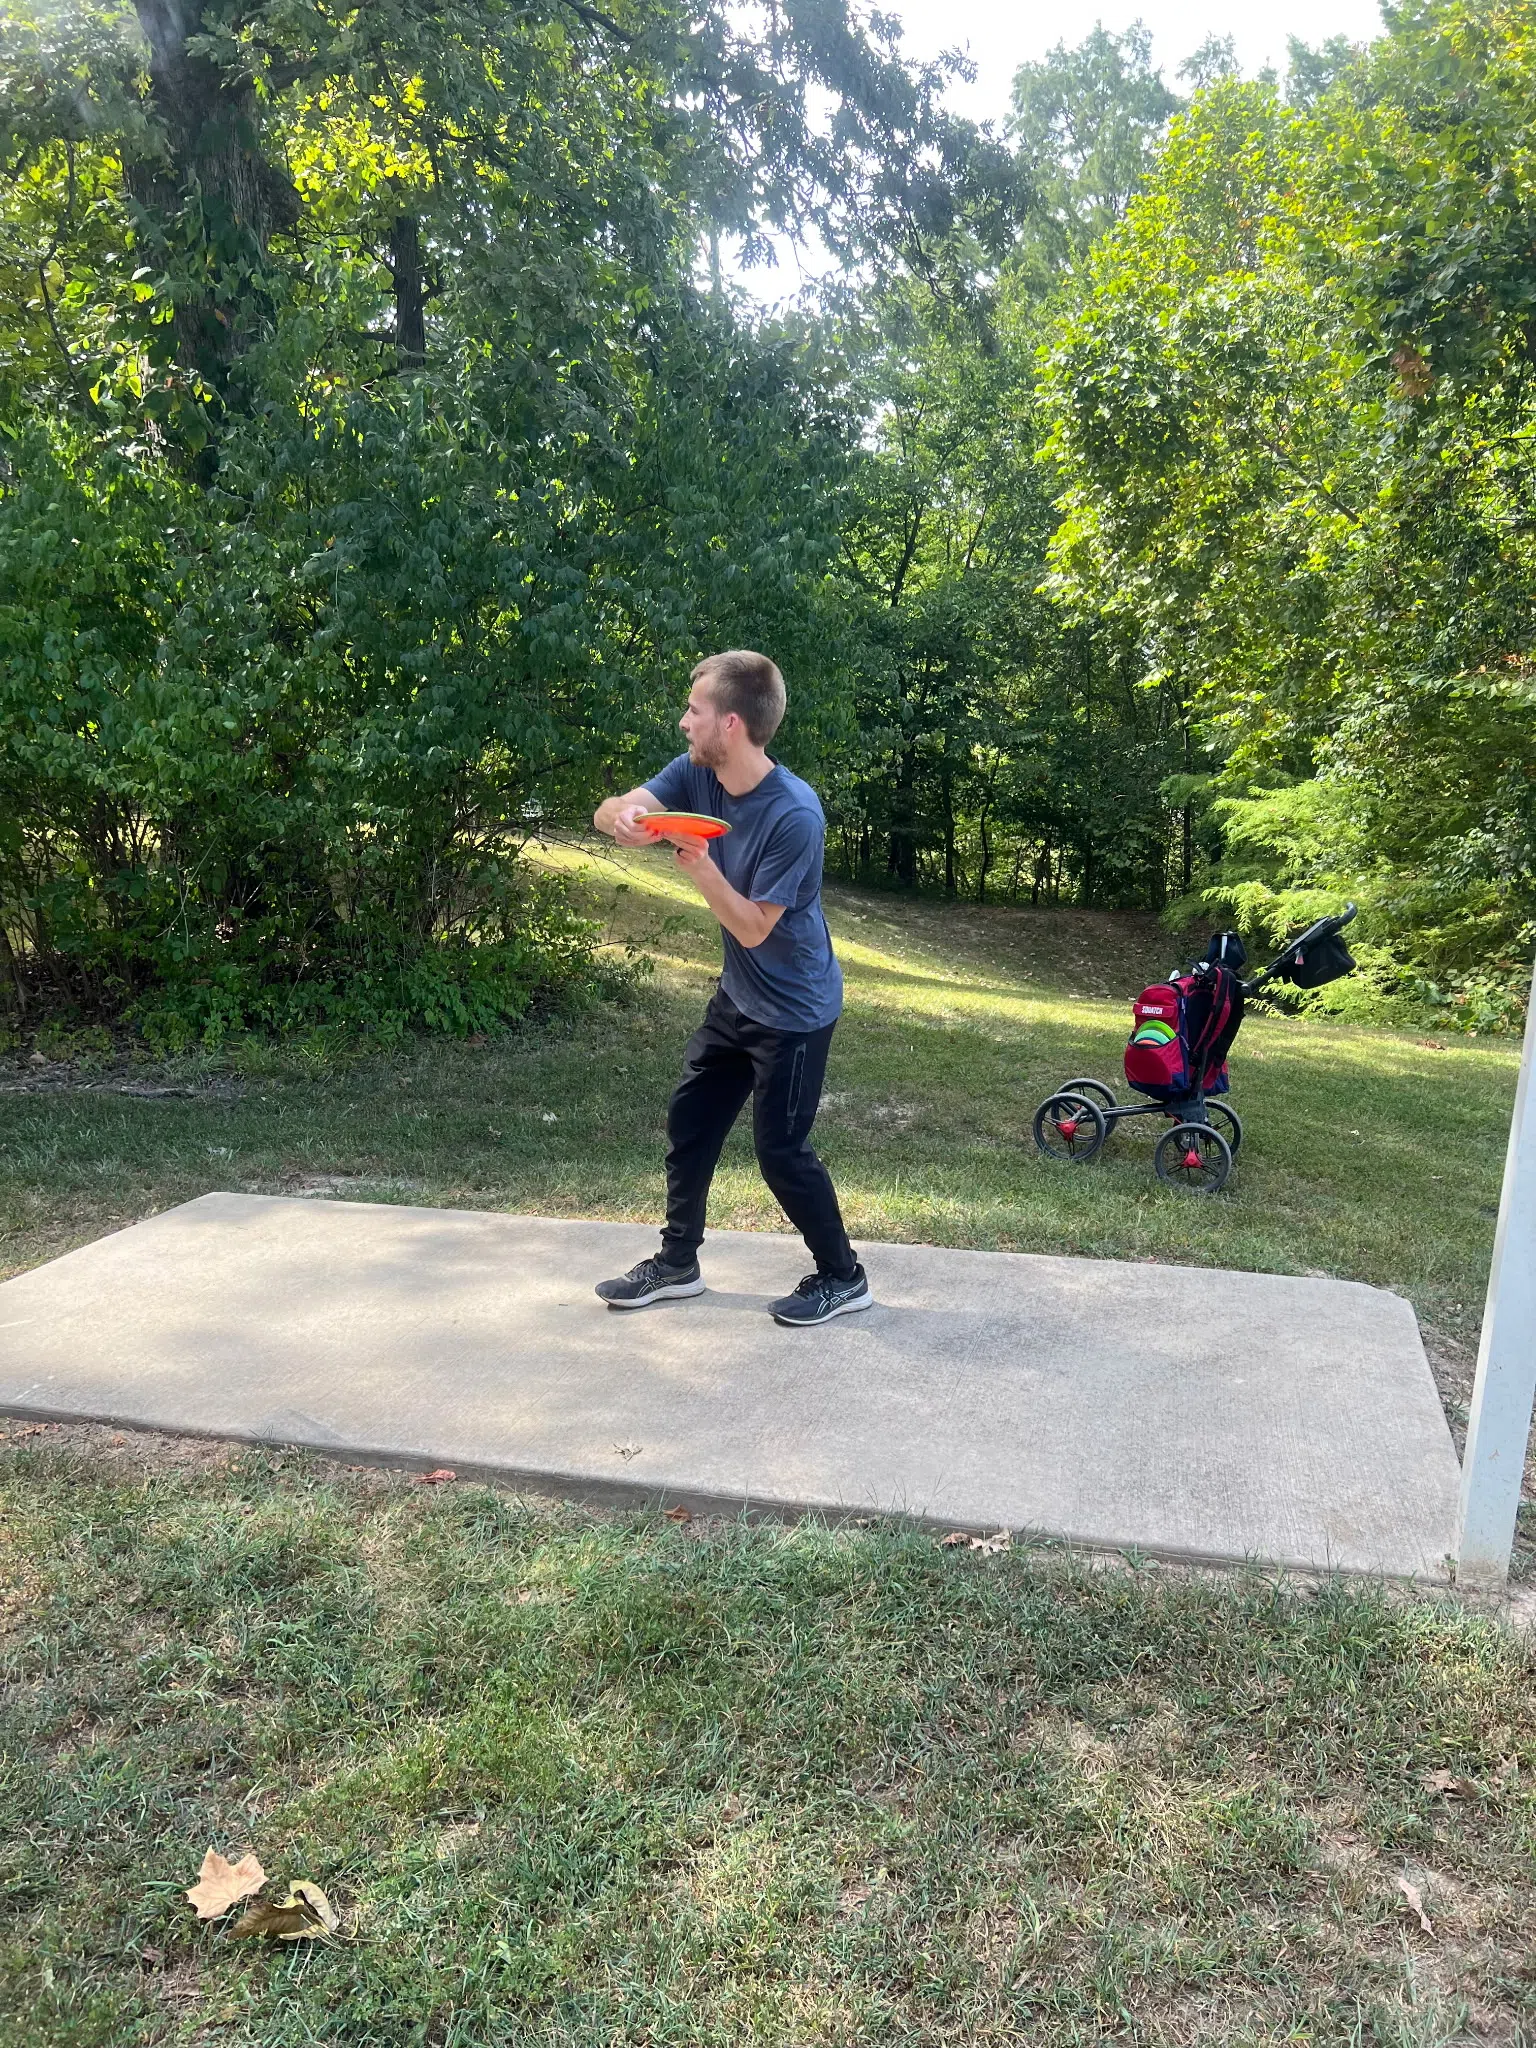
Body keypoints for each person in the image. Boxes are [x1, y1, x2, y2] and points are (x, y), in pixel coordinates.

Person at [591, 649, 872, 1327]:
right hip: (738, 998)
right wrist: (623, 817)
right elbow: (616, 809)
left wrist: (701, 868)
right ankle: (677, 1263)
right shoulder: (698, 771)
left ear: (732, 724)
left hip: (796, 1010)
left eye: (695, 711)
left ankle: (844, 1276)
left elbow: (752, 927)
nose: (684, 722)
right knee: (691, 1121)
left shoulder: (794, 815)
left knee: (781, 1153)